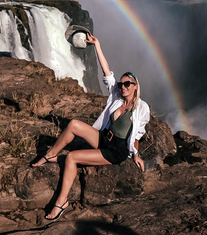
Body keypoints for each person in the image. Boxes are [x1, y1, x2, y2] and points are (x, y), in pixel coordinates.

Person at [31, 33, 150, 221]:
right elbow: (106, 72)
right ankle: (51, 154)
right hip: (104, 138)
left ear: (135, 86)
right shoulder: (116, 97)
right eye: (121, 84)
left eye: (127, 84)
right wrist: (97, 45)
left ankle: (61, 202)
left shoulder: (142, 108)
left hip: (116, 150)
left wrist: (136, 154)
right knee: (73, 124)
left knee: (71, 157)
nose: (123, 86)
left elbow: (138, 134)